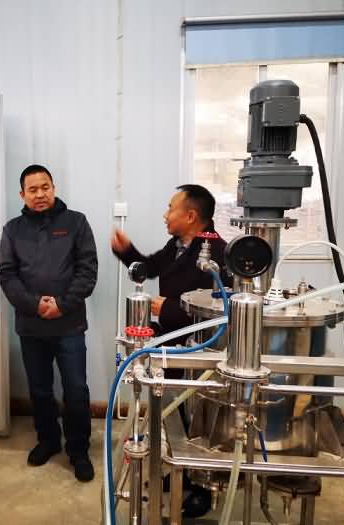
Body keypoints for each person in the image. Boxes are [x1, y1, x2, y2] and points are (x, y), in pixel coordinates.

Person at [111, 183, 230, 518]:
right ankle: (180, 470)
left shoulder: (217, 253)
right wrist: (126, 251)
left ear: (190, 216)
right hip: (173, 346)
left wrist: (167, 309)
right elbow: (150, 267)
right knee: (173, 415)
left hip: (200, 352)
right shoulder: (178, 246)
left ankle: (201, 487)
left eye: (170, 208)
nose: (165, 215)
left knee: (197, 420)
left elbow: (218, 309)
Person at [0, 164, 98, 482]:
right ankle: (48, 440)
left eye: (45, 187)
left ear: (53, 188)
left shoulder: (76, 222)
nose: (40, 194)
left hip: (69, 325)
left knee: (76, 389)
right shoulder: (13, 230)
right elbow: (7, 274)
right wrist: (34, 304)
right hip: (32, 326)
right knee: (40, 389)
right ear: (22, 194)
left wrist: (62, 305)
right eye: (33, 189)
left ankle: (78, 450)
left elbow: (87, 270)